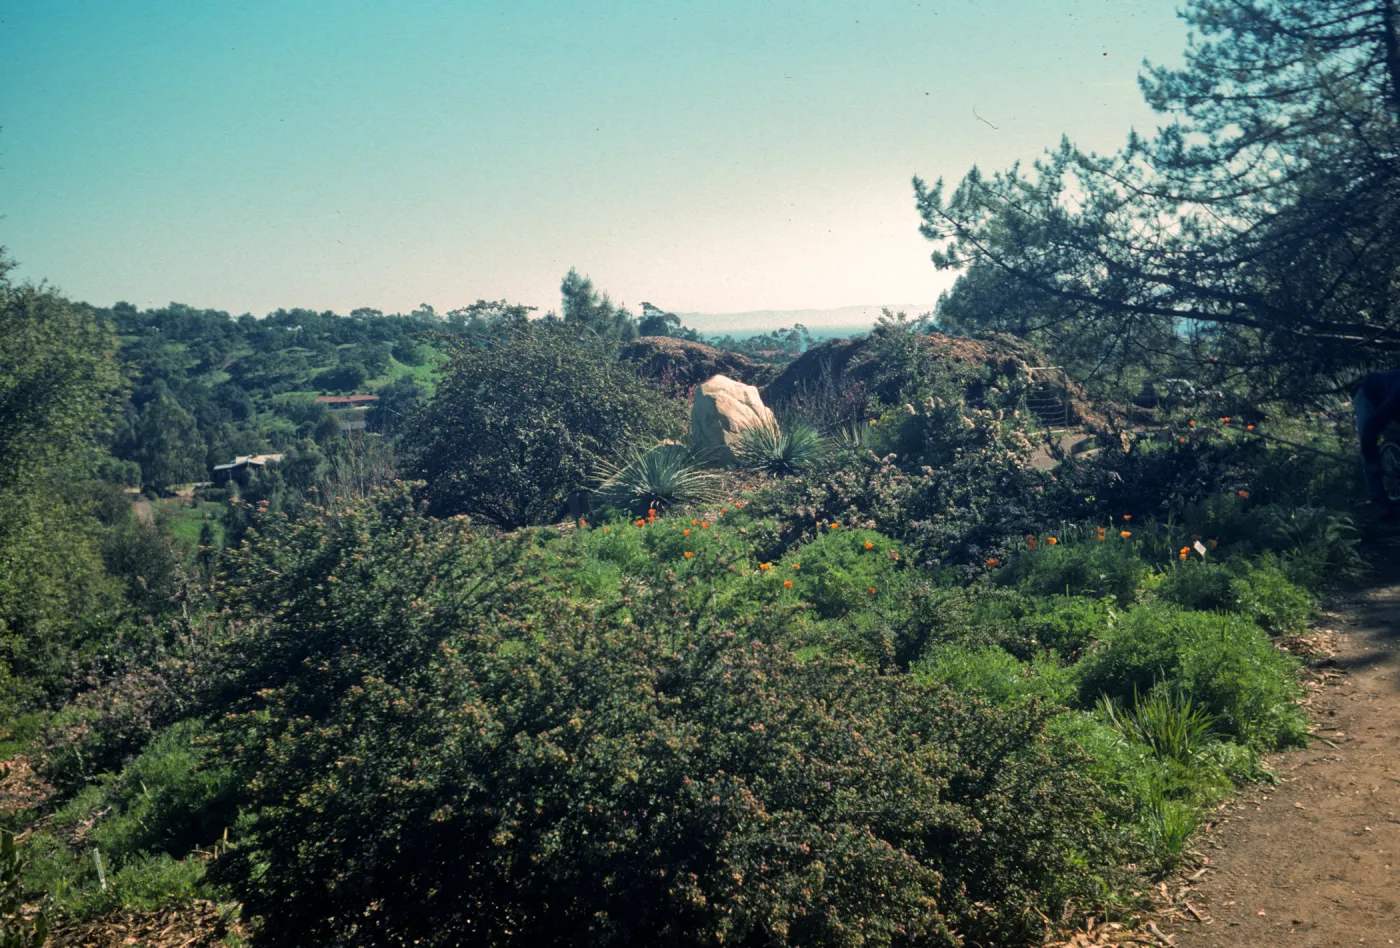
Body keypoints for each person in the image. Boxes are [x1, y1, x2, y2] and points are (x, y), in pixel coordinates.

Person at [1354, 368, 1400, 509]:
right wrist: (1372, 460)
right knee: (1367, 445)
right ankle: (1378, 498)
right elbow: (1372, 428)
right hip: (1368, 396)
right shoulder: (1396, 399)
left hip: (1388, 397)